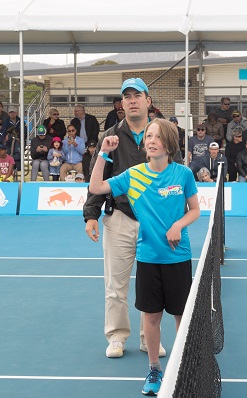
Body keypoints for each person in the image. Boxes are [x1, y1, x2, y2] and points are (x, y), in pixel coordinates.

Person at [88, 117, 199, 395]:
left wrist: (178, 225)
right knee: (151, 317)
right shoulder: (133, 175)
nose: (150, 141)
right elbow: (96, 188)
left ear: (169, 144)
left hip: (178, 257)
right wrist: (103, 153)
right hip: (148, 258)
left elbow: (195, 210)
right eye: (148, 136)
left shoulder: (183, 174)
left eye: (156, 136)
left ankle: (185, 367)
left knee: (181, 316)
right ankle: (154, 370)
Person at [84, 78, 179, 359]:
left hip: (155, 222)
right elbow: (97, 177)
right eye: (127, 96)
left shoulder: (163, 133)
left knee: (152, 283)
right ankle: (116, 336)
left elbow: (174, 174)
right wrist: (91, 215)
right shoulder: (110, 136)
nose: (132, 100)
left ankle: (147, 337)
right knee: (115, 284)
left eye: (138, 95)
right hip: (120, 218)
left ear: (149, 101)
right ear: (122, 104)